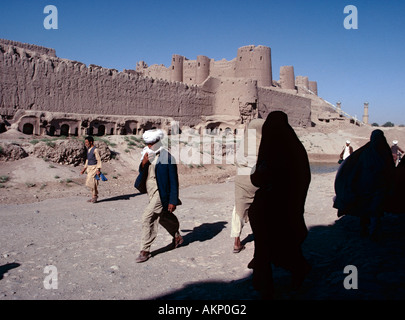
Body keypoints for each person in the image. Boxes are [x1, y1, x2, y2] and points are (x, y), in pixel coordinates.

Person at [247, 111, 312, 299]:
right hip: (290, 207)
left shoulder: (270, 149)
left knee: (266, 245)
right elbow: (303, 178)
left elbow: (258, 178)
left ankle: (265, 283)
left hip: (270, 208)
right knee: (285, 243)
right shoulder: (297, 149)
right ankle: (293, 272)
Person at [333, 130, 395, 241]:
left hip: (374, 187)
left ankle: (372, 230)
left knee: (373, 209)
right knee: (369, 208)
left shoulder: (370, 152)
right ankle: (368, 229)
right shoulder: (378, 152)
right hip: (369, 187)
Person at [134, 129, 183, 263]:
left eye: (151, 143)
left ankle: (145, 250)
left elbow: (174, 181)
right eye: (147, 144)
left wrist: (172, 200)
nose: (149, 146)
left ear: (157, 142)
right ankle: (176, 235)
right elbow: (142, 171)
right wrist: (143, 163)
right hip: (151, 192)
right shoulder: (147, 154)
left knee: (147, 217)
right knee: (163, 216)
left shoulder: (167, 158)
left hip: (161, 193)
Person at [231, 119, 265, 253]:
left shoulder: (245, 143)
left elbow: (238, 161)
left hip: (242, 179)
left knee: (238, 209)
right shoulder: (263, 144)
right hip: (257, 177)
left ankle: (236, 242)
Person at [80, 136, 102, 203]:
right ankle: (93, 196)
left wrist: (98, 169)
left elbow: (98, 160)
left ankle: (94, 196)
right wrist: (84, 169)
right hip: (89, 168)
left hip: (94, 168)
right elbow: (87, 160)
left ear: (91, 142)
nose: (86, 143)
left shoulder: (95, 150)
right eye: (85, 142)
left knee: (93, 182)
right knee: (89, 182)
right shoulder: (88, 149)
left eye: (87, 142)